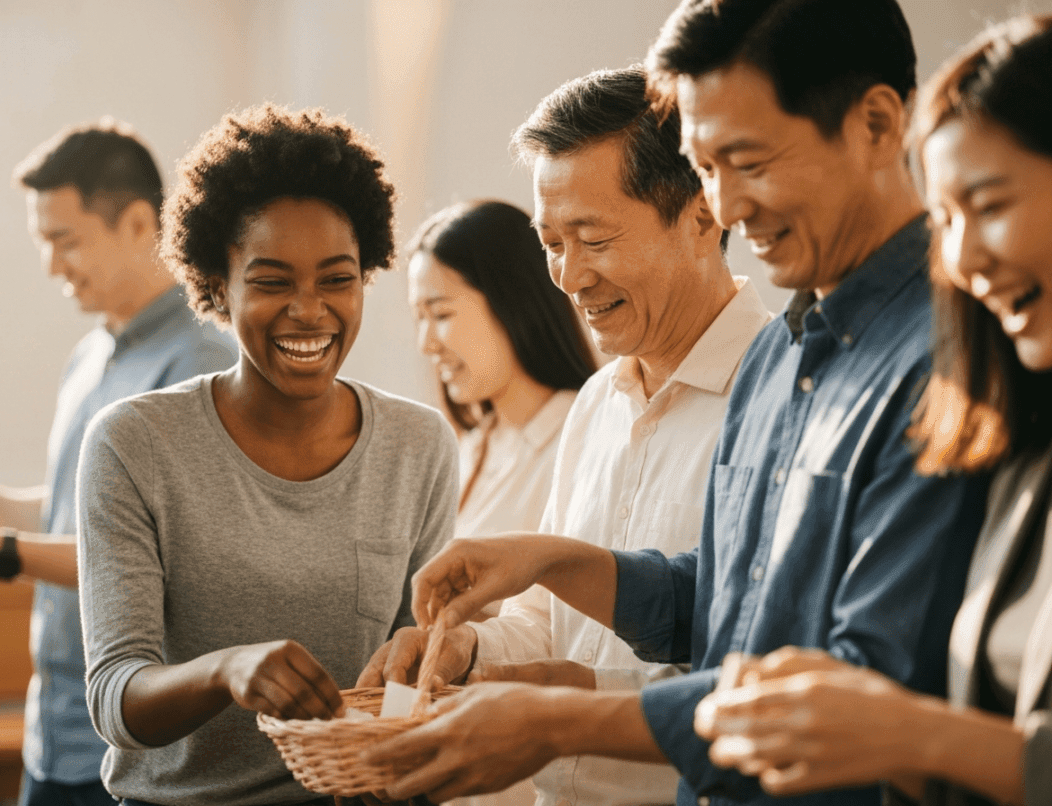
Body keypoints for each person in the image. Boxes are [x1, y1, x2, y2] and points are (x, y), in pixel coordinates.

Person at [362, 3, 991, 806]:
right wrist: (550, 563)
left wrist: (558, 715)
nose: (725, 207)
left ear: (875, 125)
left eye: (747, 161)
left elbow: (862, 689)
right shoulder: (779, 358)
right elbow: (728, 604)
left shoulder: (953, 360)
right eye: (706, 167)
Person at [359, 66, 771, 806]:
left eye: (594, 239)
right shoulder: (596, 403)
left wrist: (559, 702)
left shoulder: (778, 396)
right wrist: (469, 649)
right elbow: (551, 622)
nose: (569, 276)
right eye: (551, 243)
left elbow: (753, 670)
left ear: (703, 217)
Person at [690, 14, 1052, 806]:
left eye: (988, 204)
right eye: (945, 219)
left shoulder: (944, 372)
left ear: (875, 125)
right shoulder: (1026, 448)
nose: (961, 261)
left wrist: (909, 734)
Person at [76, 103, 458, 806]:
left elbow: (412, 668)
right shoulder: (134, 442)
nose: (309, 310)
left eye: (336, 279)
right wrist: (226, 671)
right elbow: (115, 698)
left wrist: (394, 755)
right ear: (217, 285)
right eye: (272, 281)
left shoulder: (418, 445)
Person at [0, 122, 237, 806]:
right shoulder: (90, 357)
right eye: (44, 242)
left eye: (65, 240)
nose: (52, 266)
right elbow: (78, 515)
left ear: (138, 223)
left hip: (135, 745)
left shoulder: (199, 363)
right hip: (53, 732)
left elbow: (163, 558)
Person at [407, 200, 594, 562]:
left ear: (511, 301)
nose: (426, 344)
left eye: (441, 314)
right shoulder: (468, 448)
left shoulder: (581, 443)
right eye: (419, 318)